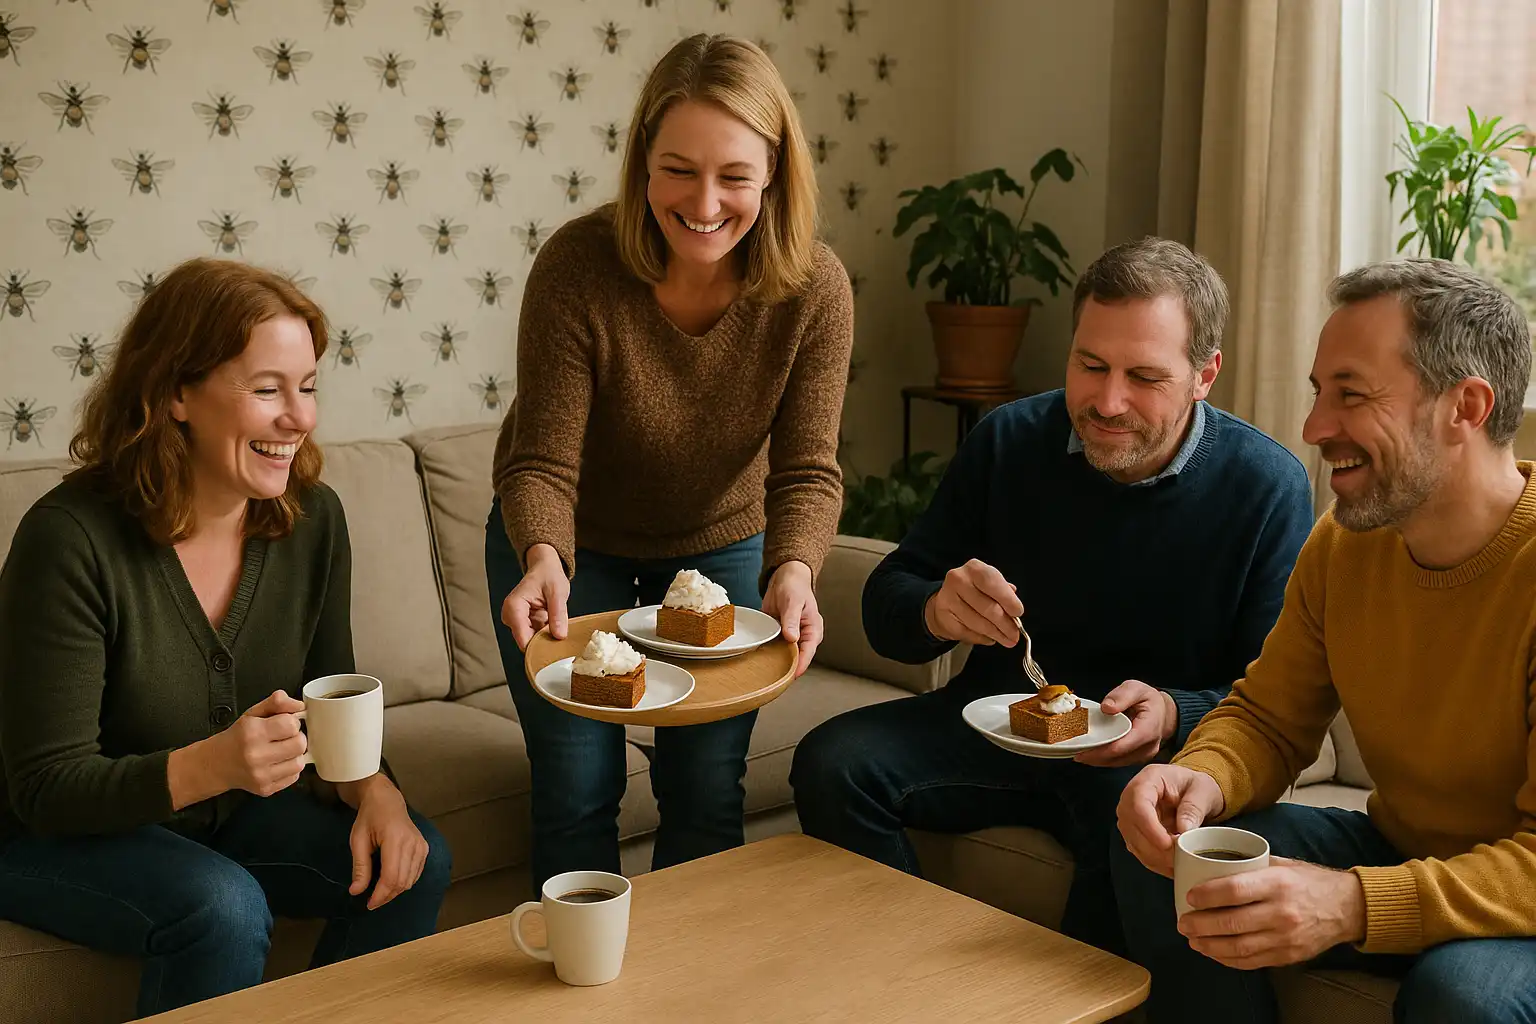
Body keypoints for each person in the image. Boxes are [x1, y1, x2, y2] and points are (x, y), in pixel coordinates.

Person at [789, 237, 1315, 955]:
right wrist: (935, 610)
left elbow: (1275, 697)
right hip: (997, 726)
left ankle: (1067, 1001)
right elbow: (889, 604)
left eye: (1144, 377)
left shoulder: (1267, 487)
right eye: (1090, 365)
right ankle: (906, 975)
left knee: (1138, 835)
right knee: (833, 761)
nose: (1107, 401)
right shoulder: (1009, 440)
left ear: (1205, 375)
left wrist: (1174, 711)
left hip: (1141, 764)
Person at [0, 258, 452, 1018]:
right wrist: (212, 764)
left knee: (415, 859)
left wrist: (374, 787)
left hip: (224, 811)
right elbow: (45, 789)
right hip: (47, 833)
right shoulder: (69, 540)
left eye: (308, 387)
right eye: (267, 390)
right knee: (222, 907)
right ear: (176, 393)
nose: (300, 418)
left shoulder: (313, 520)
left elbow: (330, 702)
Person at [1112, 258, 1536, 1024]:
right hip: (1405, 851)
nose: (1313, 428)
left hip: (1522, 896)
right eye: (1318, 393)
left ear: (1465, 407)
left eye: (1351, 394)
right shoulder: (1346, 543)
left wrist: (1352, 903)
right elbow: (1269, 718)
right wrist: (1197, 778)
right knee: (1176, 862)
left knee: (1463, 997)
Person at [485, 33, 853, 894]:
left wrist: (794, 570)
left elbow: (807, 470)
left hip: (720, 542)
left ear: (774, 172)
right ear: (642, 163)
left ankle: (692, 967)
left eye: (735, 175)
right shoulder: (577, 267)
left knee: (705, 789)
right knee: (577, 787)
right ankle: (579, 963)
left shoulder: (815, 290)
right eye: (678, 170)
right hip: (571, 545)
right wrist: (542, 554)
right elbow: (542, 462)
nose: (705, 203)